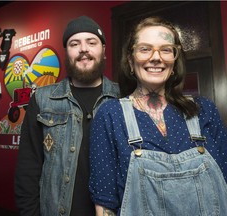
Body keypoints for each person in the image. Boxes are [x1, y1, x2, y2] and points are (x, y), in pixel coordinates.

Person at [89, 16, 227, 216]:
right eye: (145, 49)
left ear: (174, 61)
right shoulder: (111, 115)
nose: (156, 57)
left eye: (165, 49)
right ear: (130, 60)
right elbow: (105, 204)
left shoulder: (204, 110)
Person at [15, 15, 119, 216]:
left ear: (103, 51)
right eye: (74, 43)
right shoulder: (42, 99)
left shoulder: (123, 98)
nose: (83, 49)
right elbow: (28, 167)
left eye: (91, 42)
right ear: (66, 53)